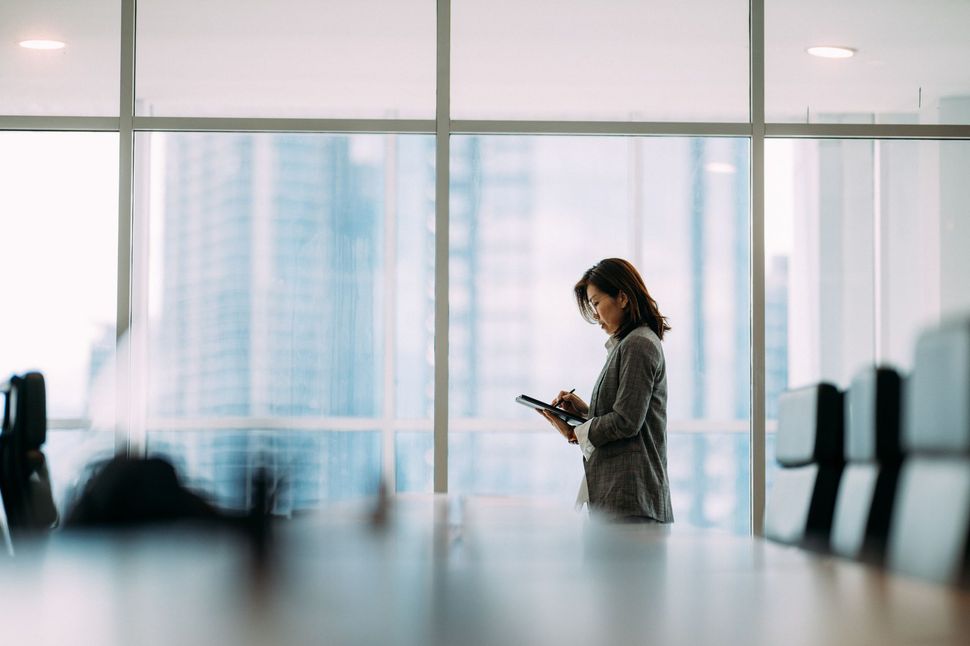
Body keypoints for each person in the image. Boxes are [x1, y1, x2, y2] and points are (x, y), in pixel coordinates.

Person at [538, 258, 673, 523]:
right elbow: (628, 415)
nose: (595, 315)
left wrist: (576, 432)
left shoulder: (638, 345)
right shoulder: (630, 344)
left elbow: (626, 422)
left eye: (597, 303)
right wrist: (586, 413)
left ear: (622, 298)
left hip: (632, 501)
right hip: (625, 500)